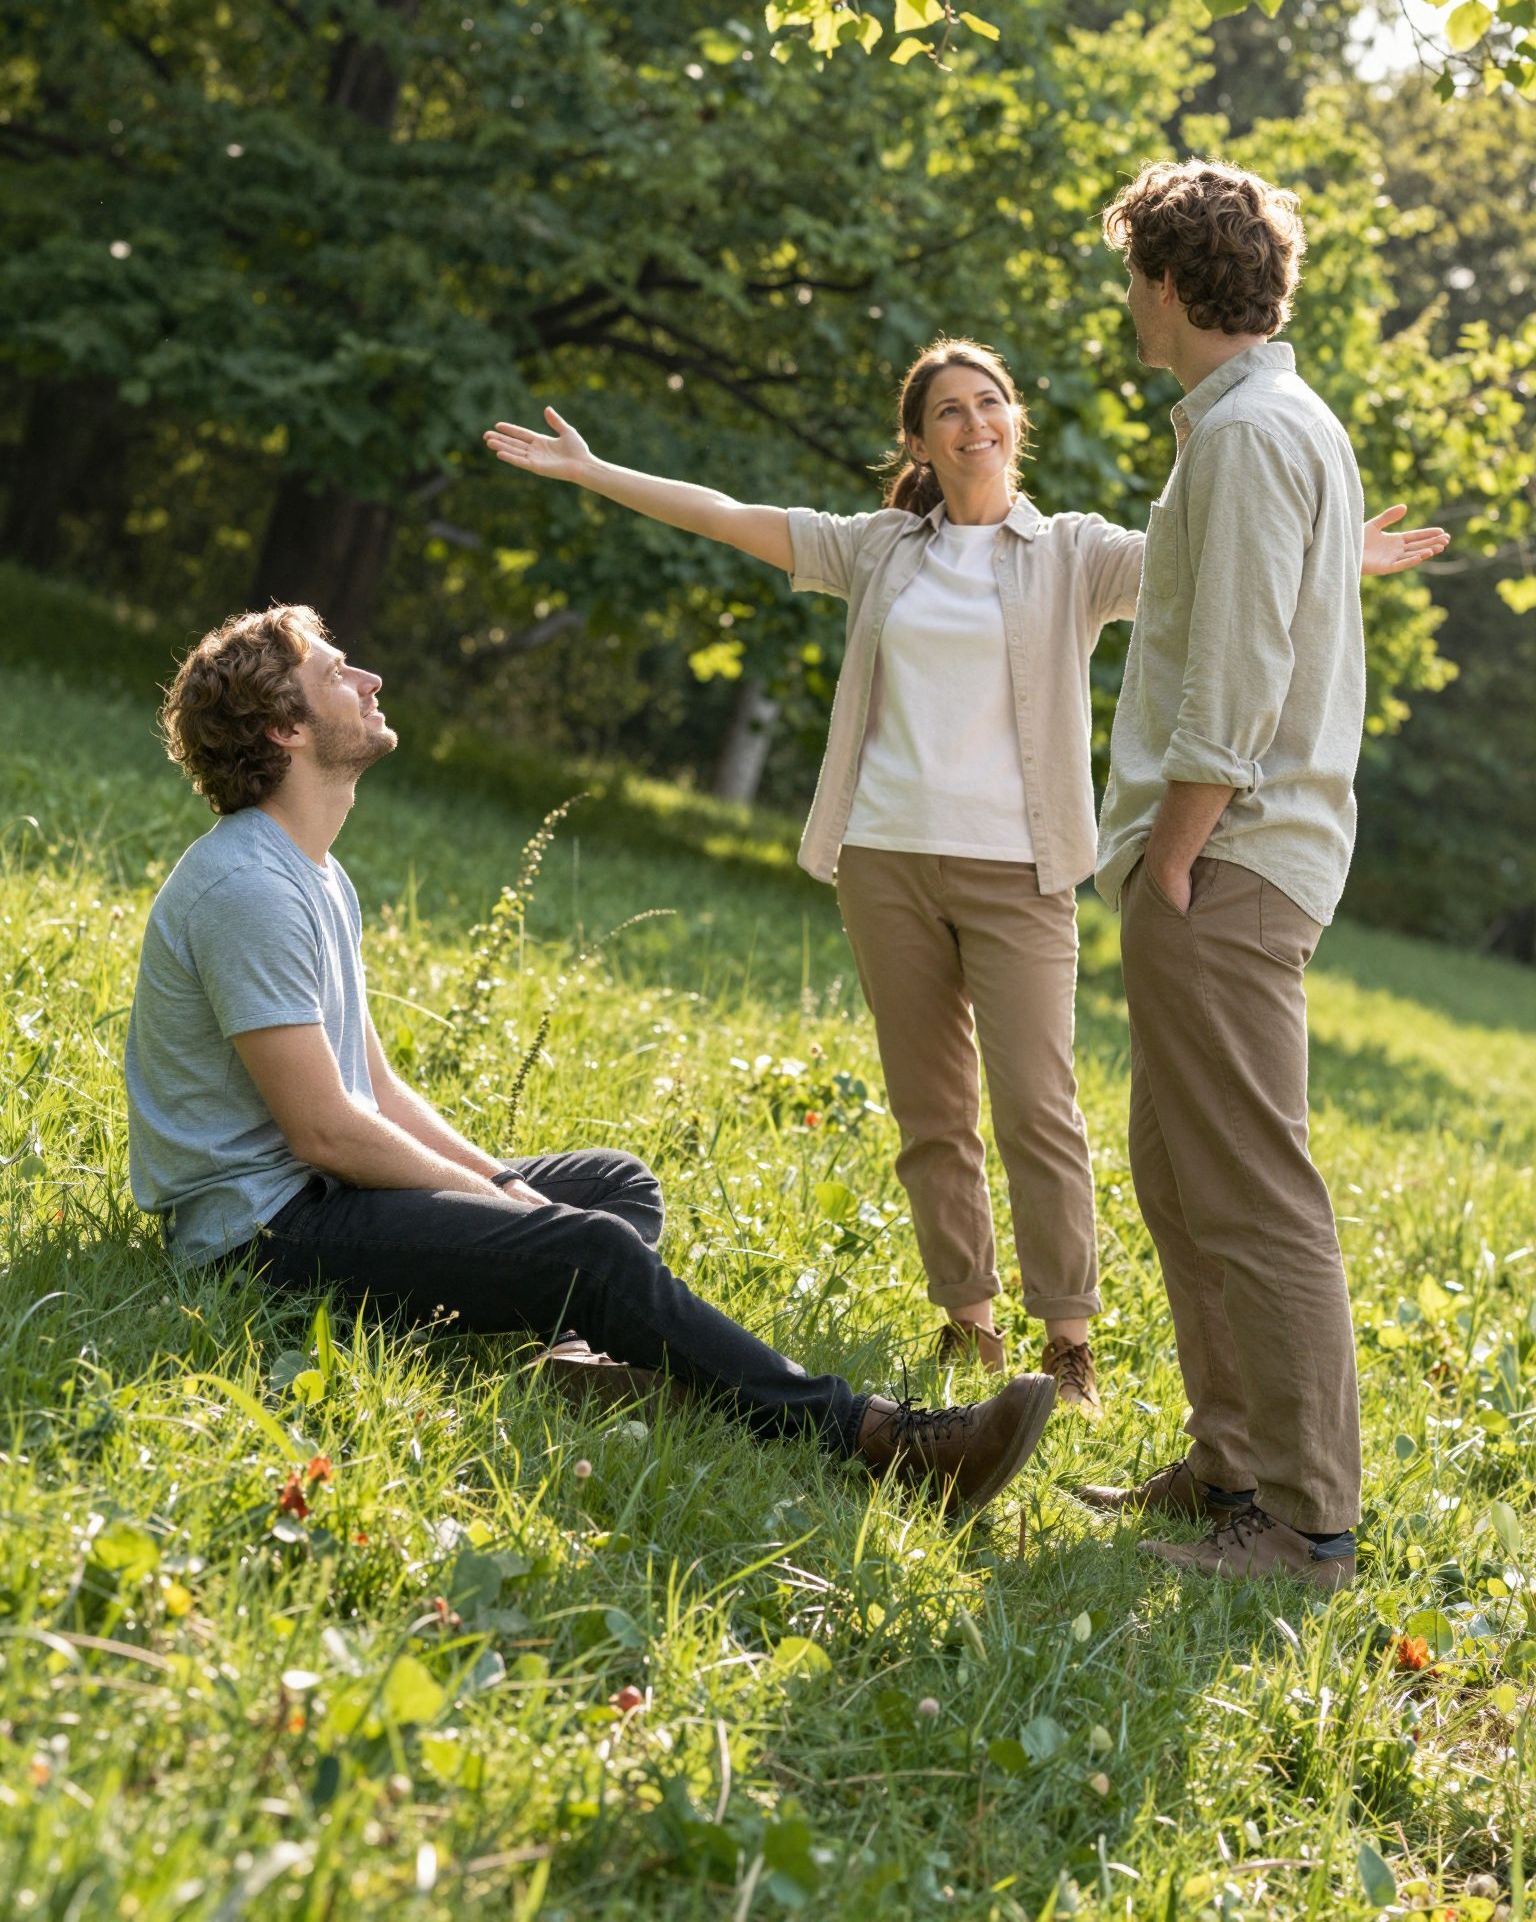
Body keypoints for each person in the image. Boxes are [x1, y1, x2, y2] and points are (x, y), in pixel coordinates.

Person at [483, 348, 1440, 1419]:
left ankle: (1068, 1340)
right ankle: (966, 1319)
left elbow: (1224, 561)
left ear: (1013, 423)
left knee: (1040, 1107)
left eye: (988, 403)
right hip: (885, 859)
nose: (973, 422)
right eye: (949, 410)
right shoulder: (879, 548)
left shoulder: (1076, 554)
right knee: (931, 1111)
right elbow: (727, 513)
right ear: (921, 441)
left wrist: (1334, 551)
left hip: (1021, 873)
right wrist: (596, 471)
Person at [123, 605, 1059, 1519]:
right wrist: (507, 1208)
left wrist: (497, 1182)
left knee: (612, 1185)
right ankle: (882, 1439)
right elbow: (325, 1129)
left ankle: (582, 1360)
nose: (368, 679)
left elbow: (377, 1089)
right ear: (287, 728)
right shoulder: (250, 884)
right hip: (260, 1239)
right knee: (593, 1246)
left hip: (324, 1198)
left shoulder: (317, 871)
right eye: (337, 673)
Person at [1077, 160, 1439, 1589]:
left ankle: (1307, 1525)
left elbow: (1234, 672)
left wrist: (1171, 855)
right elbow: (1285, 598)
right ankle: (1227, 1464)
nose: (1129, 306)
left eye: (1130, 280)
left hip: (1223, 859)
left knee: (1254, 1188)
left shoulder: (1244, 436)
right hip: (1226, 856)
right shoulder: (1276, 423)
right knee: (1181, 1174)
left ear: (1168, 285)